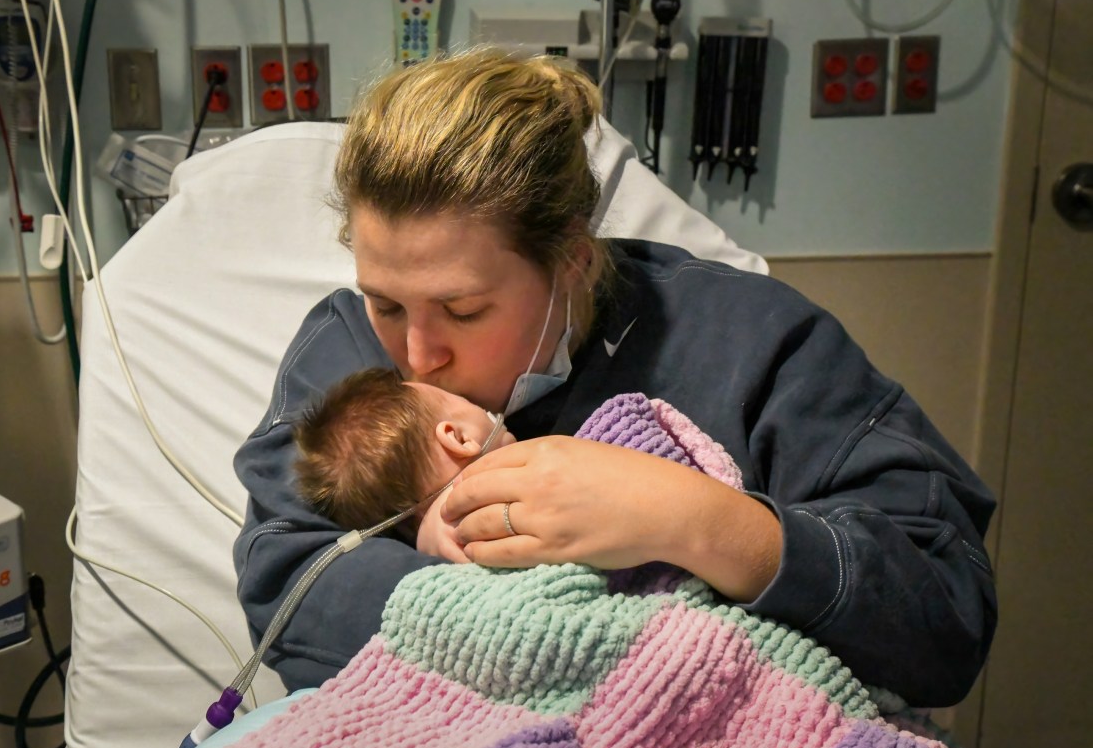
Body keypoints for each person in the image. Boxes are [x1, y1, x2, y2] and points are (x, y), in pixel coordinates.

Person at [232, 48, 997, 707]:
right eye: (387, 302)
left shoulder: (755, 345)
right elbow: (286, 573)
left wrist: (703, 524)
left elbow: (946, 614)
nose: (418, 353)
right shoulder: (345, 353)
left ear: (572, 260)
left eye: (463, 310)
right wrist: (456, 589)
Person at [291, 366, 514, 564]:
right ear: (458, 438)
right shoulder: (506, 482)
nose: (489, 412)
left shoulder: (425, 550)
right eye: (471, 404)